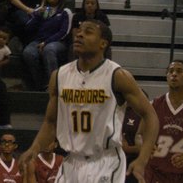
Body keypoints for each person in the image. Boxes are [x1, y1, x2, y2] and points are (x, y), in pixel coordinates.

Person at [18, 20, 159, 183]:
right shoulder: (59, 76)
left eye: (88, 31)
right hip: (71, 161)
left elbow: (151, 116)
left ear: (103, 44)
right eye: (79, 31)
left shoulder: (117, 76)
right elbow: (50, 122)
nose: (79, 34)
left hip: (106, 161)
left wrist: (142, 159)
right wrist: (35, 147)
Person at [144, 60, 183, 183]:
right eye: (170, 71)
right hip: (156, 172)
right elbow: (139, 135)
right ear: (166, 76)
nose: (174, 74)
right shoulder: (154, 105)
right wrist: (145, 146)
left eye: (179, 71)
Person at [22, 0, 72, 91]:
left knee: (49, 50)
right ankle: (40, 85)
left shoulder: (64, 11)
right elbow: (28, 28)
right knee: (28, 53)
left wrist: (46, 42)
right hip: (38, 41)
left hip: (58, 42)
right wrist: (37, 15)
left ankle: (54, 85)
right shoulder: (44, 11)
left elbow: (64, 32)